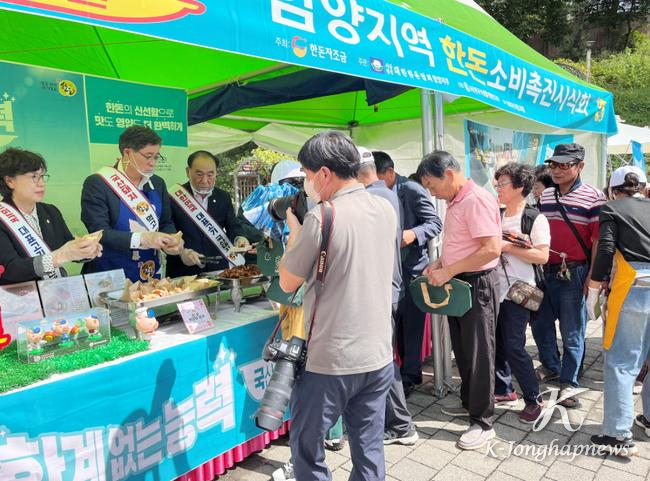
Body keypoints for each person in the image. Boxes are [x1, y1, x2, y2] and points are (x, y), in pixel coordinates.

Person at [278, 131, 396, 481]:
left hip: (331, 359)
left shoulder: (322, 216)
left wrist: (295, 233)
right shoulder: (384, 206)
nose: (306, 184)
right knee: (369, 448)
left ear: (324, 174)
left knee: (307, 449)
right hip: (378, 353)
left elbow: (287, 283)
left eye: (306, 175)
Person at [418, 151, 501, 450]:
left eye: (432, 185)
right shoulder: (457, 201)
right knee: (464, 350)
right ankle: (470, 403)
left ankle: (483, 421)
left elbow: (491, 249)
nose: (432, 193)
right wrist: (441, 262)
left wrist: (449, 270)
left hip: (477, 284)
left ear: (449, 174)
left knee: (479, 353)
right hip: (460, 282)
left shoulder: (476, 200)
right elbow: (463, 244)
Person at [532, 143, 605, 408]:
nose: (557, 170)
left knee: (572, 330)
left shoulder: (594, 197)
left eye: (565, 165)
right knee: (539, 324)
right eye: (554, 164)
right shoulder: (546, 195)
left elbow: (598, 240)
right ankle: (552, 366)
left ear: (580, 166)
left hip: (575, 272)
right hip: (544, 270)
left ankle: (569, 382)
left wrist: (593, 276)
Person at [357, 147, 418, 446]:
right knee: (383, 359)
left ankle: (401, 425)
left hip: (380, 292)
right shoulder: (386, 193)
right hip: (388, 289)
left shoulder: (372, 198)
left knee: (383, 361)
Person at [588, 166, 649, 455]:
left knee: (622, 363)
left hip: (632, 289)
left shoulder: (611, 209)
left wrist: (594, 286)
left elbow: (605, 249)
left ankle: (618, 435)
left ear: (613, 190)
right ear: (643, 187)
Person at [374, 150, 442, 397]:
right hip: (386, 269)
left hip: (411, 268)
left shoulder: (411, 189)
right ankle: (399, 374)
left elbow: (435, 223)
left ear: (390, 173)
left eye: (377, 178)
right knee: (395, 327)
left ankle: (410, 377)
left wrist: (413, 234)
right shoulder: (371, 194)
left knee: (411, 327)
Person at [80, 126, 184, 282]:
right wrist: (143, 239)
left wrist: (172, 241)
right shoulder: (98, 183)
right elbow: (99, 232)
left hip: (149, 270)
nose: (152, 163)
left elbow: (165, 222)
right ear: (127, 153)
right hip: (111, 273)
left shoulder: (157, 183)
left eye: (156, 157)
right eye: (148, 156)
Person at [493, 163, 550, 423]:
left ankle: (533, 398)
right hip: (494, 289)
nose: (498, 188)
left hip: (520, 291)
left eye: (503, 183)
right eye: (497, 183)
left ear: (519, 187)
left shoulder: (534, 217)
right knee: (497, 344)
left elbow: (542, 256)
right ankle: (504, 389)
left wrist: (508, 247)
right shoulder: (496, 214)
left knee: (514, 346)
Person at [0, 148, 102, 285]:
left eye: (42, 176)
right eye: (34, 177)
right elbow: (11, 270)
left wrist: (86, 251)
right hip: (20, 295)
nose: (41, 183)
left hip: (55, 292)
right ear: (10, 181)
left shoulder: (50, 211)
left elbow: (68, 246)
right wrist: (59, 257)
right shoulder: (2, 217)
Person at [167, 150, 252, 277]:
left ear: (216, 173)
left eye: (210, 175)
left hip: (218, 270)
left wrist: (239, 238)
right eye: (199, 174)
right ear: (188, 171)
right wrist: (182, 252)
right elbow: (167, 231)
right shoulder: (172, 197)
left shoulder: (223, 197)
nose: (205, 180)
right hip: (183, 270)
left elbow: (233, 226)